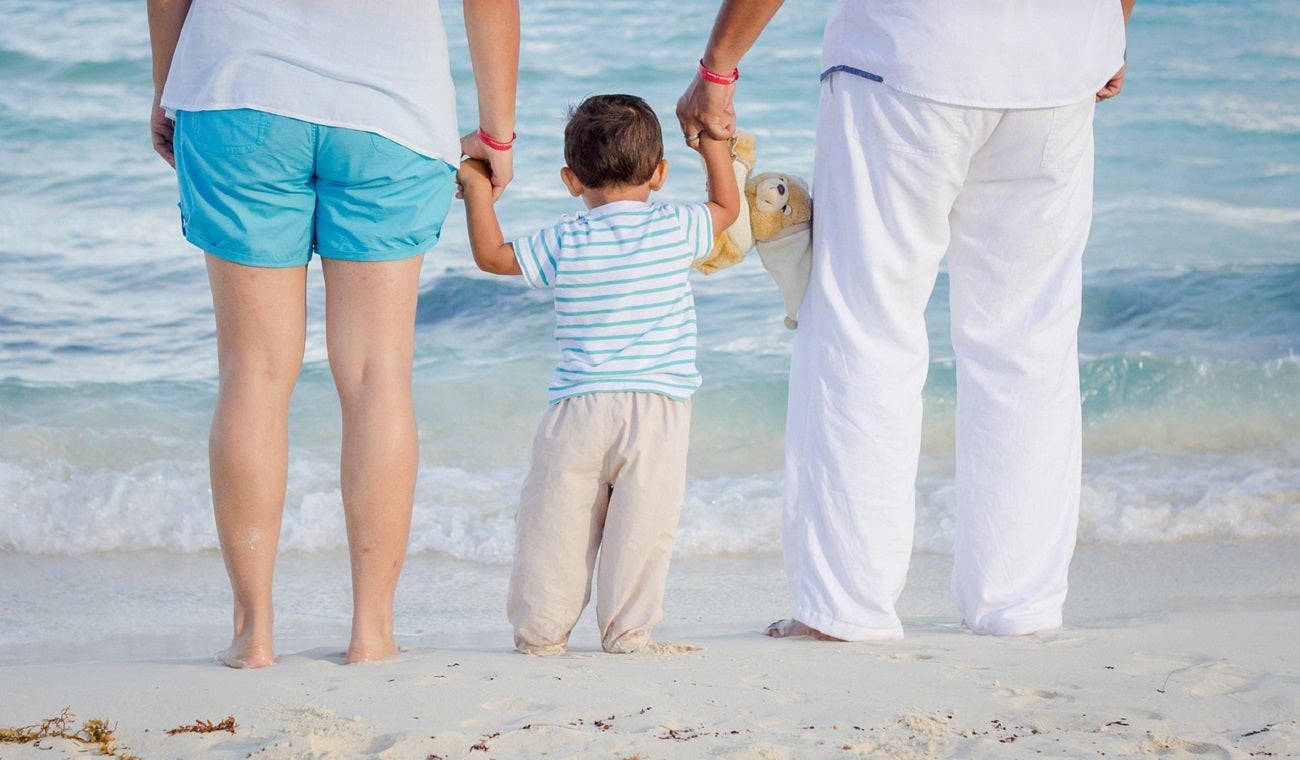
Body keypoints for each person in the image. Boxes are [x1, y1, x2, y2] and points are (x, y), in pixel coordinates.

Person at [678, 1, 1135, 641]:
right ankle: (1020, 603)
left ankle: (847, 606)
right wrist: (1110, 24)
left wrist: (718, 67)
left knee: (866, 326)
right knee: (1028, 339)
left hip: (909, 53)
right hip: (1060, 63)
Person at [147, 0, 519, 667]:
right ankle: (371, 632)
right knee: (378, 374)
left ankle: (253, 634)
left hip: (238, 88)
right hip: (394, 108)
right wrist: (498, 132)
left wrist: (167, 84)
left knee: (253, 370)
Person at [458, 94, 739, 654]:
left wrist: (475, 184)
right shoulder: (677, 227)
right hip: (657, 407)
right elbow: (727, 207)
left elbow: (492, 256)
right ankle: (627, 632)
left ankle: (541, 633)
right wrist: (713, 143)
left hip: (578, 407)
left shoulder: (565, 238)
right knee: (644, 526)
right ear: (659, 174)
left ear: (571, 180)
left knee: (554, 523)